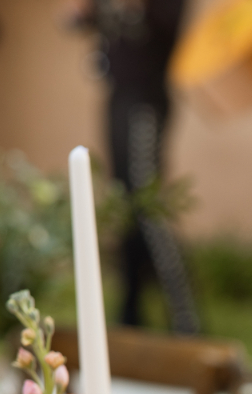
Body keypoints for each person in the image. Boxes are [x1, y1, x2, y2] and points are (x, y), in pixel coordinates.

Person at [84, 0, 199, 333]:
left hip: (146, 100)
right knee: (124, 203)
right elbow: (82, 23)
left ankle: (185, 318)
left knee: (148, 204)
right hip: (118, 93)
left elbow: (174, 31)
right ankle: (130, 312)